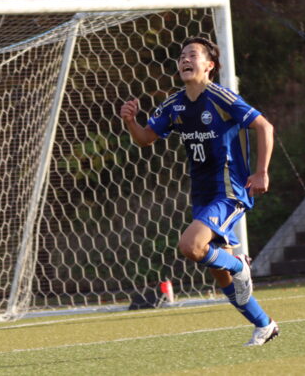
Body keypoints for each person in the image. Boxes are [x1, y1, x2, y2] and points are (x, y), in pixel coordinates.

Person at [119, 36, 278, 346]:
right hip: (202, 194)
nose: (185, 60)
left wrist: (261, 171)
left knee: (191, 246)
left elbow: (265, 127)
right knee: (220, 273)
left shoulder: (221, 97)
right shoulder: (174, 104)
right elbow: (145, 139)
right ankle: (264, 324)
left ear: (209, 65)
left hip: (229, 190)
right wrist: (130, 121)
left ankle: (241, 265)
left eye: (193, 55)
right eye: (182, 56)